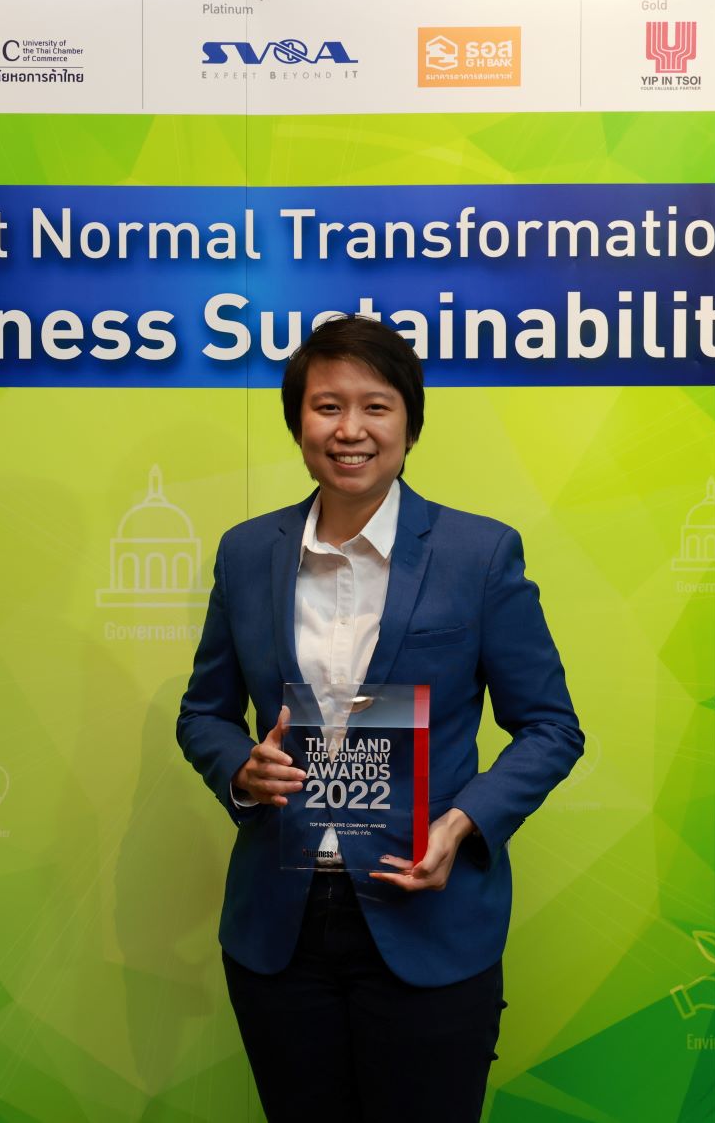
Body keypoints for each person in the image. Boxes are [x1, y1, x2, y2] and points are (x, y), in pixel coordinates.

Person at [176, 315, 585, 1122]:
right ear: (298, 422)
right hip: (279, 926)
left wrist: (463, 823)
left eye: (376, 406)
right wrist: (240, 769)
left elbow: (549, 726)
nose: (350, 429)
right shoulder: (247, 553)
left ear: (410, 424)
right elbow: (204, 713)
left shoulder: (477, 554)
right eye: (327, 406)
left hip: (427, 916)